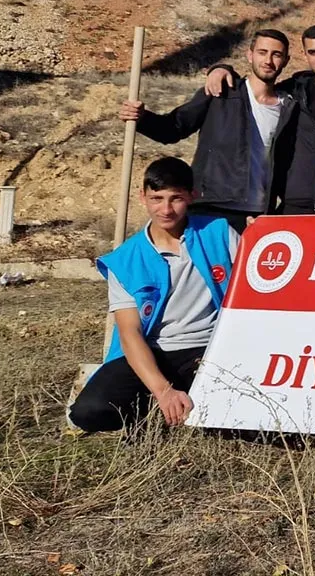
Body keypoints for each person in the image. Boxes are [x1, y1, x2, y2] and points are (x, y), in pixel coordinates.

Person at [69, 157, 239, 432]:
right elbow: (130, 333)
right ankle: (153, 409)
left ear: (192, 197)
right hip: (154, 351)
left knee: (237, 409)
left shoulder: (218, 232)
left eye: (176, 199)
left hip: (210, 348)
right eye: (157, 198)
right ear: (142, 197)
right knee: (88, 412)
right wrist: (162, 391)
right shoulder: (125, 260)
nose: (166, 209)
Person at [121, 29, 295, 233]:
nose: (268, 60)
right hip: (209, 209)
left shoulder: (289, 107)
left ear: (286, 60)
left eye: (276, 54)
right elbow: (173, 128)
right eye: (262, 52)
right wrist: (142, 118)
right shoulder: (220, 92)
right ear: (250, 55)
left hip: (257, 216)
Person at [206, 25, 315, 214]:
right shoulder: (291, 91)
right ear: (305, 54)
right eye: (314, 52)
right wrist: (221, 69)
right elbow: (258, 83)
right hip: (292, 209)